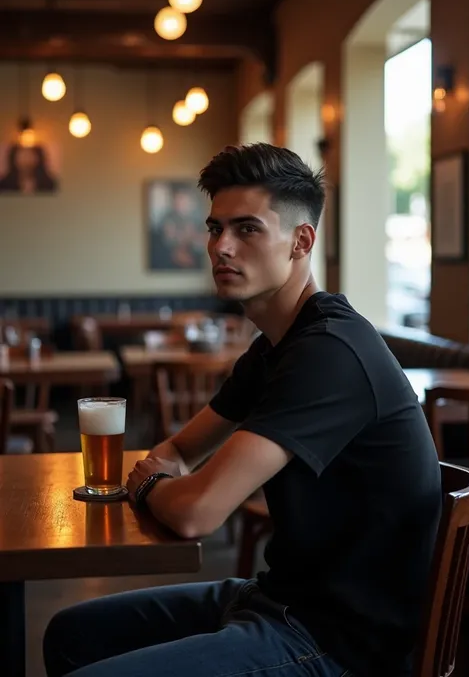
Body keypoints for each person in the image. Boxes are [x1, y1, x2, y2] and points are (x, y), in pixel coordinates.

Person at [43, 143, 442, 677]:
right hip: (277, 599)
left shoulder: (331, 352)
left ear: (302, 241)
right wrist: (167, 480)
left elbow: (197, 510)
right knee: (70, 634)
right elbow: (180, 450)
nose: (220, 247)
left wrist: (147, 485)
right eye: (214, 228)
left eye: (247, 229)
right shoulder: (275, 347)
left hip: (341, 643)